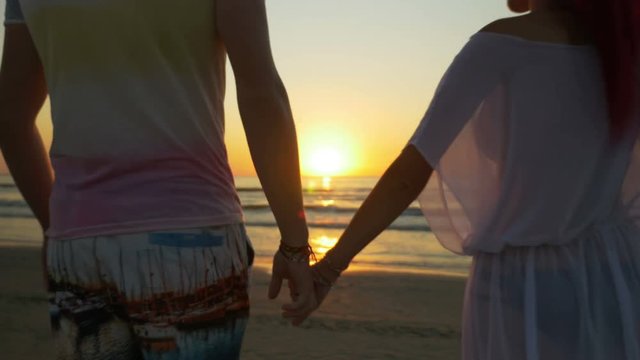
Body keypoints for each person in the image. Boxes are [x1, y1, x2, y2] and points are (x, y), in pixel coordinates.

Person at [303, 0, 640, 359]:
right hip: (614, 271)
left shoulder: (500, 44)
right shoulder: (623, 52)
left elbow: (410, 171)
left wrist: (329, 267)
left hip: (526, 282)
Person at [0, 0, 313, 358]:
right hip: (191, 235)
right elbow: (262, 92)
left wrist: (53, 223)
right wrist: (294, 243)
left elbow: (11, 117)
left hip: (78, 245)